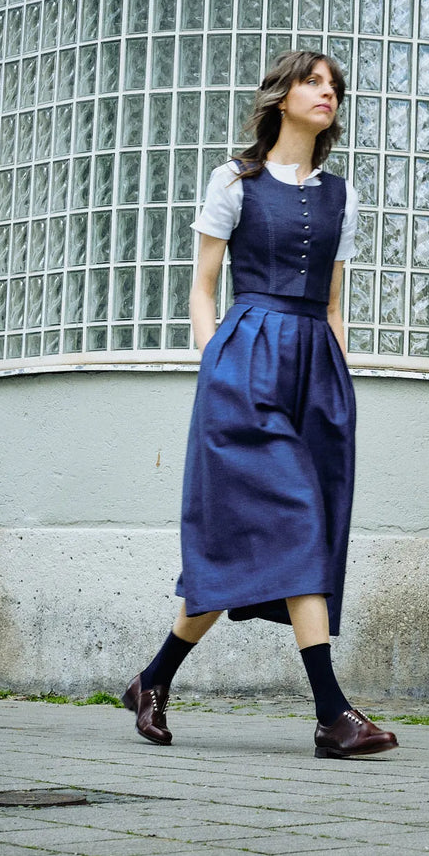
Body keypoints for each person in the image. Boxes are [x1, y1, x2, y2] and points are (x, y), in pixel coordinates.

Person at [123, 50, 397, 759]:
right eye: (313, 82)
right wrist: (216, 362)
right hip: (246, 366)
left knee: (258, 544)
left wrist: (341, 376)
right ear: (281, 96)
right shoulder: (234, 180)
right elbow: (203, 286)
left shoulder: (343, 195)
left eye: (333, 86)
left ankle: (152, 679)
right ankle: (333, 714)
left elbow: (335, 302)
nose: (326, 93)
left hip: (317, 371)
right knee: (299, 523)